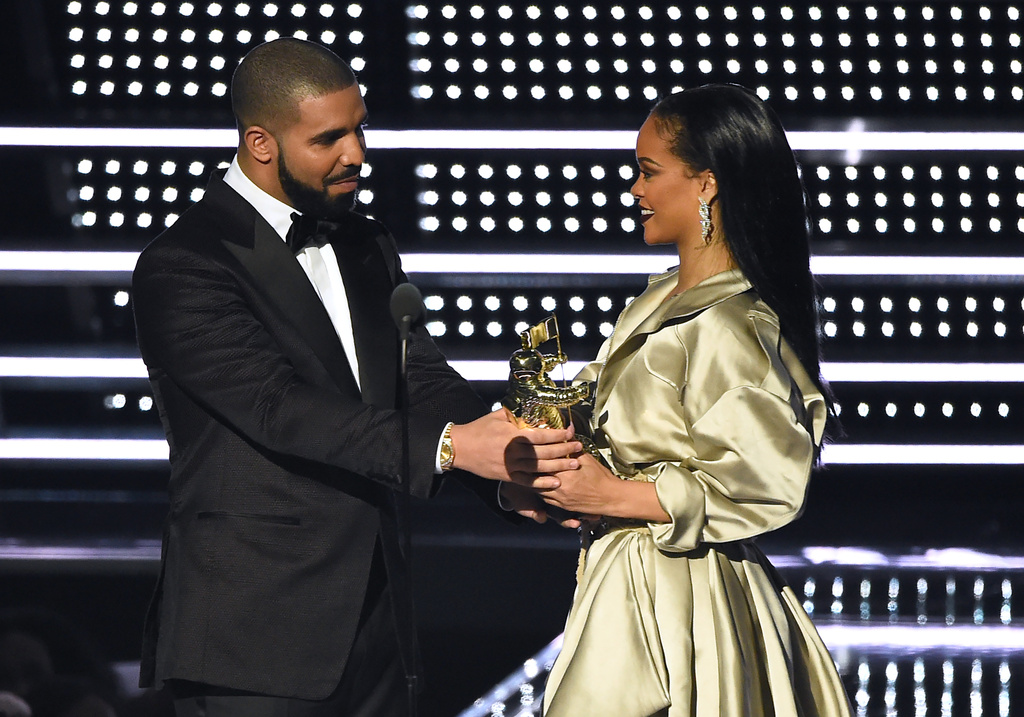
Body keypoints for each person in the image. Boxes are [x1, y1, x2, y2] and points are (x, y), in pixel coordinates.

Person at [131, 38, 578, 716]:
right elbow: (279, 408)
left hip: (377, 631)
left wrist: (507, 464)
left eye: (359, 127)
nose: (357, 154)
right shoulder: (184, 264)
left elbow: (418, 376)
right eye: (330, 138)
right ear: (260, 142)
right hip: (252, 640)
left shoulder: (366, 242)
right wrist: (455, 446)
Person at [533, 85, 854, 716]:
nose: (635, 191)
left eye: (649, 172)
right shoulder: (658, 302)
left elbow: (765, 482)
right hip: (631, 574)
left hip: (686, 591)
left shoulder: (729, 327)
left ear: (706, 185)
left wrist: (612, 495)